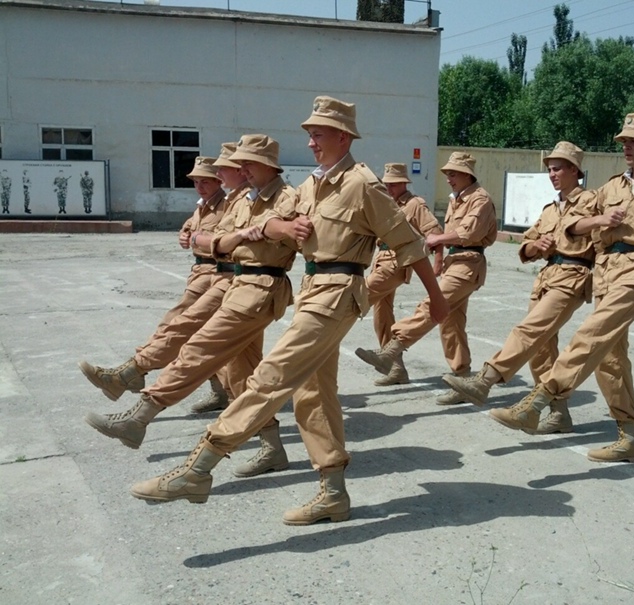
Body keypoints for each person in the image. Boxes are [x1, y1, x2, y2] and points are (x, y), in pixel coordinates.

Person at [127, 96, 450, 525]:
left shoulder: (362, 185)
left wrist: (437, 298)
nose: (311, 142)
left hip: (338, 293)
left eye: (318, 134)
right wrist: (281, 227)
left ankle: (198, 469)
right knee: (313, 391)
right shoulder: (311, 186)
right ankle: (334, 492)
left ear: (342, 136)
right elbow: (271, 223)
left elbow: (409, 243)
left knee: (271, 376)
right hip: (313, 288)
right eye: (310, 135)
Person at [488, 113, 634, 463]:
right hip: (606, 271)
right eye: (623, 141)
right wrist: (598, 220)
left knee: (591, 332)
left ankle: (539, 400)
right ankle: (630, 438)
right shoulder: (611, 188)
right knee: (609, 354)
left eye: (633, 141)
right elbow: (574, 224)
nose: (626, 146)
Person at [85, 134, 301, 480]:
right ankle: (273, 446)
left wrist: (253, 233)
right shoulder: (247, 199)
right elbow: (218, 241)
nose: (239, 168)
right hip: (238, 284)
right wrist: (239, 237)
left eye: (245, 162)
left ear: (265, 165)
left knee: (197, 347)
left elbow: (275, 233)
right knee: (241, 373)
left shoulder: (288, 198)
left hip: (260, 288)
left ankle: (139, 417)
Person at [442, 142, 596, 434]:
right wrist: (535, 246)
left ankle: (485, 380)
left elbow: (601, 235)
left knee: (528, 330)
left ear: (575, 170)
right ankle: (558, 412)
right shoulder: (550, 208)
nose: (552, 174)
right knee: (541, 350)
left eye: (558, 168)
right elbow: (527, 244)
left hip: (574, 275)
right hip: (547, 277)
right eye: (549, 169)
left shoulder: (592, 201)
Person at [78, 156, 229, 401]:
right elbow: (190, 227)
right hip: (200, 273)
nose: (199, 186)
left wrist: (195, 240)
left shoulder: (227, 206)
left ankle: (132, 372)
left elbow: (220, 240)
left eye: (205, 181)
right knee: (201, 336)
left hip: (213, 274)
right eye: (196, 181)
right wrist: (185, 235)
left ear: (219, 180)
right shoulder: (203, 205)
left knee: (176, 326)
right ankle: (221, 391)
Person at [355, 152, 497, 404]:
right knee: (450, 324)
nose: (449, 179)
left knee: (432, 304)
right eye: (448, 175)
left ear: (467, 174)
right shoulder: (459, 199)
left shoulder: (480, 199)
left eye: (452, 174)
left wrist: (438, 245)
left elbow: (468, 231)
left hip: (468, 262)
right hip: (457, 261)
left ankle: (392, 350)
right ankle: (462, 379)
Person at [365, 162, 443, 385]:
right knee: (382, 316)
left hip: (398, 263)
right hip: (380, 260)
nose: (389, 188)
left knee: (361, 295)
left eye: (394, 184)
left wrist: (438, 261)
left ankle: (328, 330)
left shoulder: (415, 204)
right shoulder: (386, 204)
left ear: (403, 183)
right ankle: (396, 368)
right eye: (387, 184)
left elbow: (434, 232)